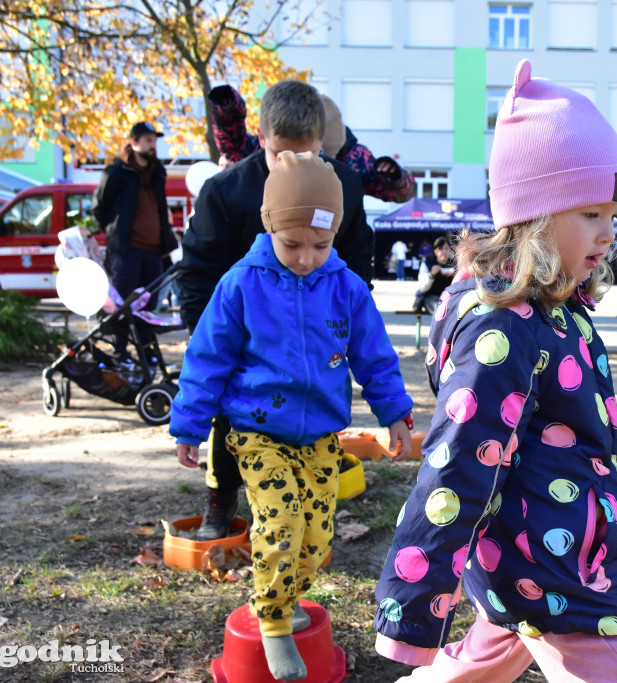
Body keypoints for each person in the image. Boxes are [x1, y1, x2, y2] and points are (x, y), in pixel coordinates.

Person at [374, 59, 617, 683]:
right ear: (536, 215)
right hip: (545, 566)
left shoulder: (555, 308)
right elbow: (458, 460)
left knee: (474, 670)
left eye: (613, 215)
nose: (609, 234)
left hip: (550, 544)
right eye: (590, 213)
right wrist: (411, 607)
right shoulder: (503, 327)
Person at [170, 152, 414, 682]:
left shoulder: (344, 285)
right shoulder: (242, 284)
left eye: (321, 245)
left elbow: (373, 354)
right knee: (281, 524)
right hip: (258, 433)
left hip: (322, 436)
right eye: (292, 244)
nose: (306, 258)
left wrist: (394, 412)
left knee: (316, 537)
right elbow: (207, 356)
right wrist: (189, 423)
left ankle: (288, 593)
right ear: (270, 227)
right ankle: (274, 619)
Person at [177, 79, 376, 542]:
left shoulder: (341, 184)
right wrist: (202, 331)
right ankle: (220, 500)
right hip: (244, 333)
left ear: (322, 146)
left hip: (315, 330)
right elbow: (199, 268)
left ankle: (305, 507)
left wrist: (349, 319)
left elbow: (358, 251)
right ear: (260, 139)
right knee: (231, 417)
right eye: (280, 156)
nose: (294, 167)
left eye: (309, 157)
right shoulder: (225, 192)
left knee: (310, 411)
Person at [209, 84, 416, 203]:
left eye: (313, 154)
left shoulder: (355, 161)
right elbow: (234, 147)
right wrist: (228, 112)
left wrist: (393, 177)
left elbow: (403, 193)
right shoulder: (273, 144)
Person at [92, 121, 179, 357]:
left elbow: (160, 207)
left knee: (148, 306)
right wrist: (115, 233)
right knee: (122, 303)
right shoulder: (117, 172)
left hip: (154, 251)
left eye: (155, 141)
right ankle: (120, 350)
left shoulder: (157, 172)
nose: (153, 146)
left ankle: (147, 352)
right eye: (148, 141)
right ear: (134, 143)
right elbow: (100, 208)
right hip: (126, 251)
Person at [412, 236, 454, 313]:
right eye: (441, 249)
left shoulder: (455, 264)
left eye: (446, 248)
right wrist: (431, 275)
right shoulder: (428, 263)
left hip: (450, 298)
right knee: (440, 309)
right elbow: (421, 287)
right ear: (435, 251)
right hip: (431, 297)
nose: (444, 251)